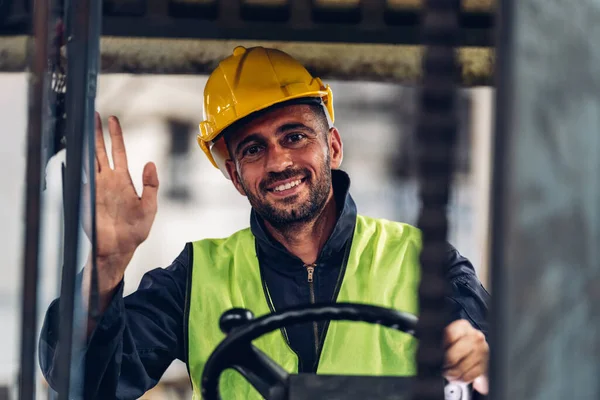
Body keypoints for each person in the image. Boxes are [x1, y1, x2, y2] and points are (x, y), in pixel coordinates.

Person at [39, 46, 491, 400]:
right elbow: (84, 386)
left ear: (332, 147)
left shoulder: (422, 261)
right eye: (253, 149)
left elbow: (510, 368)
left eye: (294, 136)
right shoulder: (196, 277)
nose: (279, 162)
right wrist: (105, 267)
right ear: (236, 176)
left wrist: (480, 356)